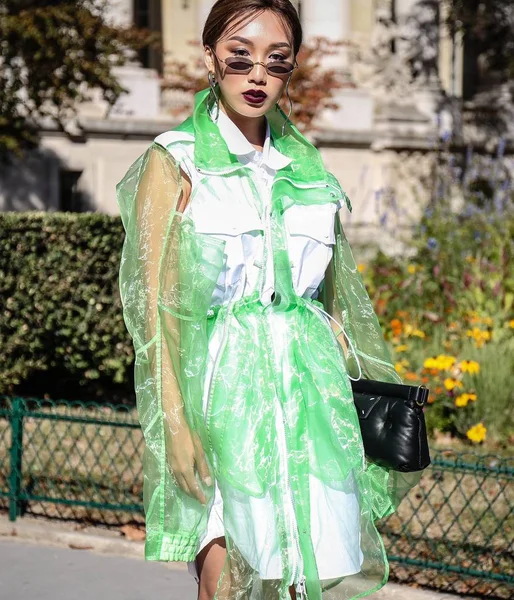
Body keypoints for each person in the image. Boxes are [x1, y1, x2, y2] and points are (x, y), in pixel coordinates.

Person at [116, 1, 422, 599]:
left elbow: (333, 302)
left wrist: (339, 359)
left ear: (290, 70)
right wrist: (174, 422)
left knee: (313, 576)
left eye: (276, 62)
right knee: (227, 578)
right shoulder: (174, 160)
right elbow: (151, 306)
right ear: (210, 58)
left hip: (310, 396)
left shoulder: (307, 170)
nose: (258, 76)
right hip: (221, 389)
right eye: (240, 58)